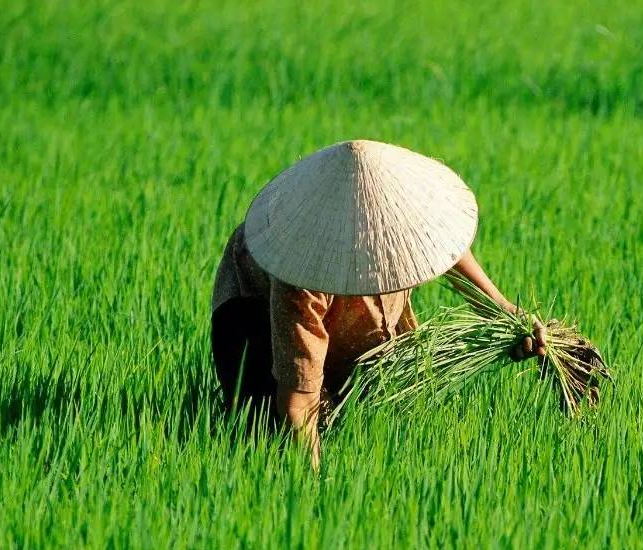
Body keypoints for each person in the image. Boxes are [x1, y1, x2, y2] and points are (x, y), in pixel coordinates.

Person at [211, 139, 545, 467]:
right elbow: (298, 403)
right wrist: (311, 493)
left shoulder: (406, 229)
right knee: (264, 433)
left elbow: (445, 250)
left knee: (363, 407)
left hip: (337, 310)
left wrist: (503, 310)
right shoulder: (301, 269)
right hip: (253, 317)